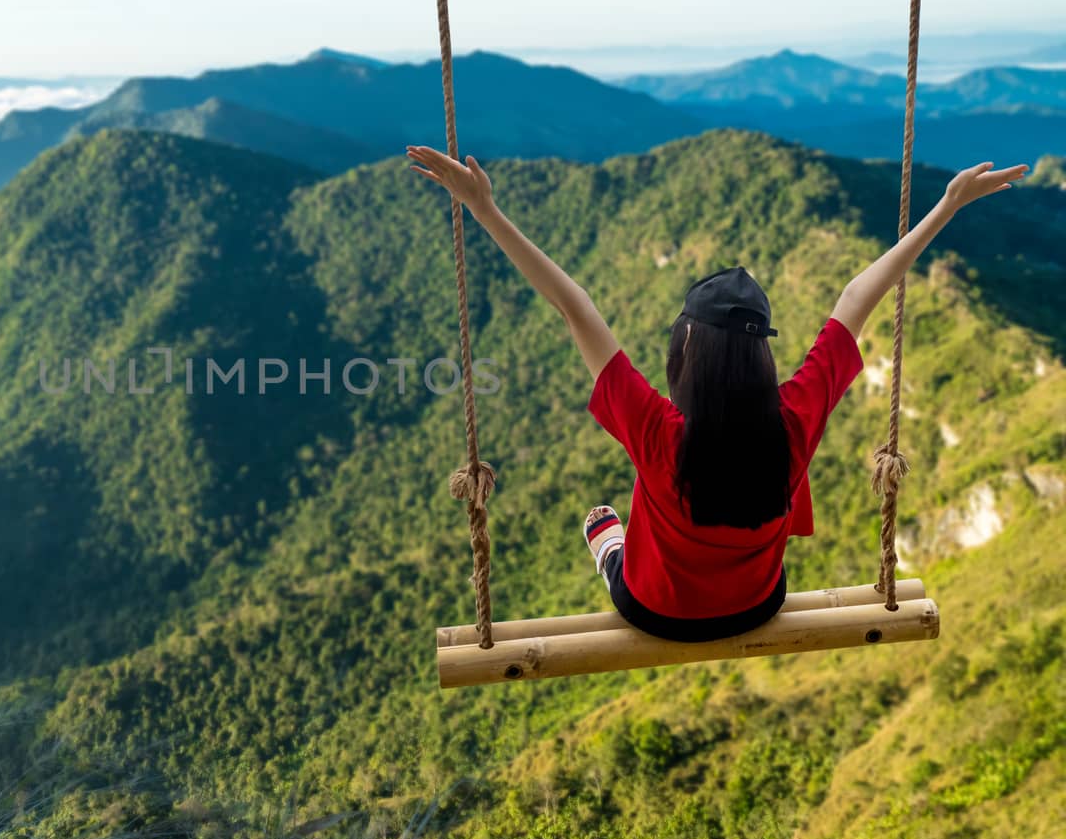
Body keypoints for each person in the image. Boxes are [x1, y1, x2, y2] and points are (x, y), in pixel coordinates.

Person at [404, 144, 1029, 641]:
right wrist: (946, 208)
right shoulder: (794, 418)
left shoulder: (659, 433)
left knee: (615, 542)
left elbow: (574, 307)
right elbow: (858, 299)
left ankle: (611, 550)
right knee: (676, 538)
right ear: (762, 357)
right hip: (756, 605)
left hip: (652, 609)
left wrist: (483, 209)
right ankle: (617, 542)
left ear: (683, 354)